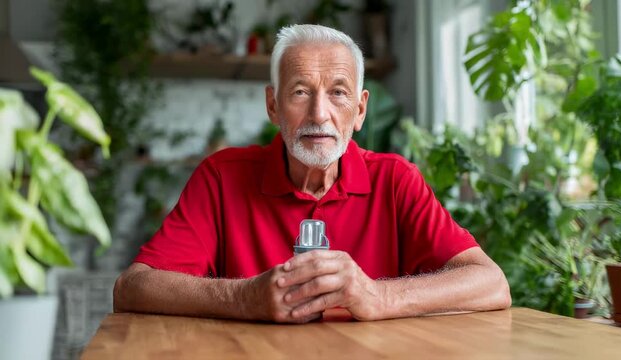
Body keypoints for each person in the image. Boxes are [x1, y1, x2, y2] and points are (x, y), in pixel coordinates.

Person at [113, 24, 511, 323]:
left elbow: (491, 282)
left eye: (338, 93)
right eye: (300, 92)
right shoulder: (222, 176)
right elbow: (133, 287)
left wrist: (375, 295)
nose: (319, 114)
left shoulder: (395, 180)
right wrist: (245, 298)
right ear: (273, 106)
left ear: (359, 111)